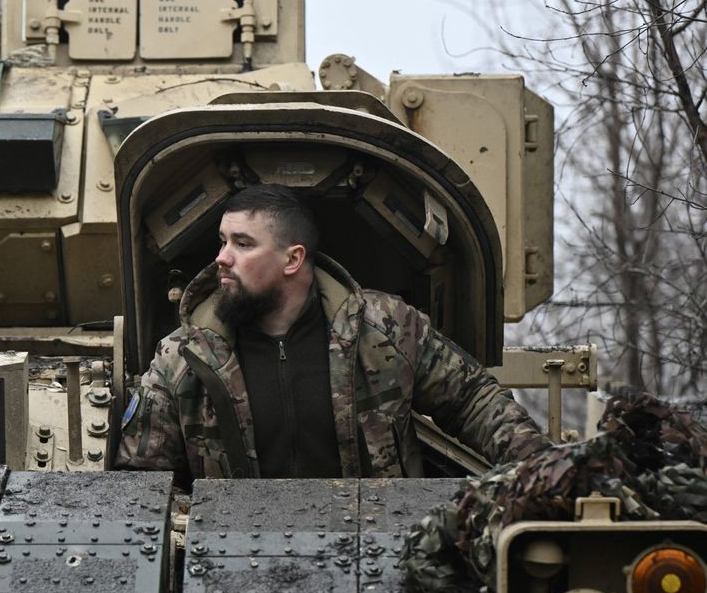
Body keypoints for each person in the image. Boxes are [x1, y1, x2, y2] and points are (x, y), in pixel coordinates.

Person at [115, 183, 550, 483]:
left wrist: (539, 463)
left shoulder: (385, 327)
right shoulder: (183, 356)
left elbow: (471, 398)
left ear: (293, 259)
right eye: (223, 240)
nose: (221, 258)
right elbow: (142, 480)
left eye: (242, 244)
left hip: (377, 557)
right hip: (233, 563)